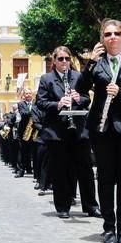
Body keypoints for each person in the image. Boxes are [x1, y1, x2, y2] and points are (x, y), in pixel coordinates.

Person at [75, 19, 121, 243]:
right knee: (105, 179)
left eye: (116, 33)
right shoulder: (98, 64)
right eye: (107, 34)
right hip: (101, 129)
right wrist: (90, 63)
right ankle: (108, 227)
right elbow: (81, 89)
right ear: (102, 39)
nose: (112, 37)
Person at [36, 46, 100, 219]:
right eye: (61, 59)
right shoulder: (46, 79)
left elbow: (87, 98)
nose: (65, 62)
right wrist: (58, 104)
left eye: (67, 59)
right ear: (54, 61)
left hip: (78, 129)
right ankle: (63, 206)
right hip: (57, 131)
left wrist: (80, 99)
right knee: (60, 170)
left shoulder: (79, 76)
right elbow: (40, 102)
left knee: (85, 169)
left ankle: (91, 206)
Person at [16, 89, 35, 177]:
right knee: (23, 151)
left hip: (34, 130)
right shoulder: (20, 104)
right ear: (24, 95)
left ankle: (31, 169)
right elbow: (24, 113)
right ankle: (21, 170)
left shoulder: (36, 103)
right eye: (26, 93)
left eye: (29, 93)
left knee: (33, 151)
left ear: (32, 94)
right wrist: (34, 114)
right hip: (23, 131)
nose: (28, 95)